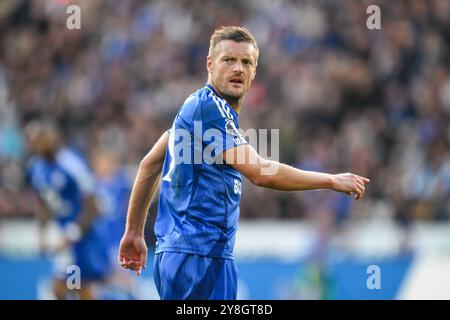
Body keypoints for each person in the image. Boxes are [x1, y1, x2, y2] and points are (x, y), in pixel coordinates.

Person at [118, 26, 370, 300]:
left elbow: (150, 164)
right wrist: (331, 180)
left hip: (189, 254)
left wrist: (133, 232)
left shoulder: (196, 110)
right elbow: (262, 173)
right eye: (229, 60)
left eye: (246, 62)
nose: (238, 68)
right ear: (210, 64)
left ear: (254, 72)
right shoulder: (209, 107)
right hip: (198, 255)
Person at [26, 120, 112, 300]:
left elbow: (93, 206)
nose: (39, 144)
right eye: (34, 140)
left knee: (77, 287)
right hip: (65, 237)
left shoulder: (72, 164)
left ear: (53, 138)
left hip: (82, 237)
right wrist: (42, 234)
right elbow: (41, 203)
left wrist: (72, 234)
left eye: (42, 138)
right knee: (67, 288)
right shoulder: (35, 167)